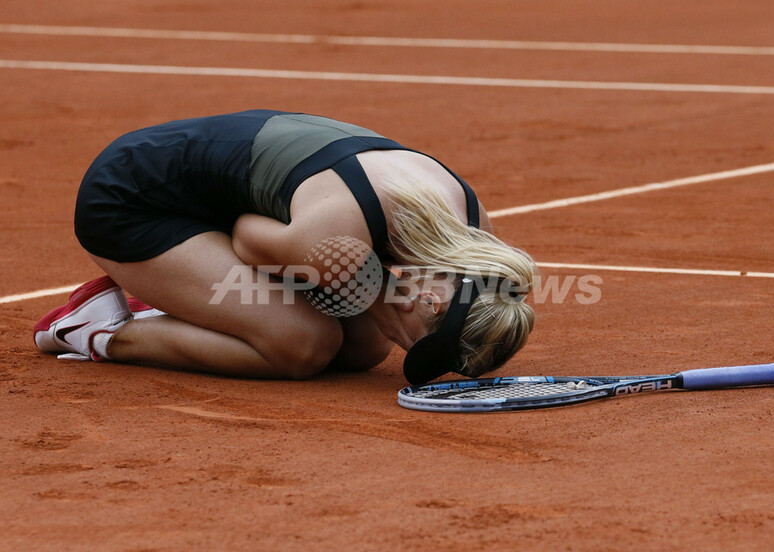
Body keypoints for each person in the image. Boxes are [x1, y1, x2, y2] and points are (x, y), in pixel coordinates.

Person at [33, 110, 535, 384]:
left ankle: (189, 296)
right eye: (418, 341)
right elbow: (249, 237)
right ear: (427, 299)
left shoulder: (472, 234)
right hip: (135, 199)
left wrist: (365, 291)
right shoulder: (335, 238)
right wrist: (363, 283)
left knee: (361, 349)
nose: (407, 350)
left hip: (231, 191)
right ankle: (100, 330)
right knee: (303, 347)